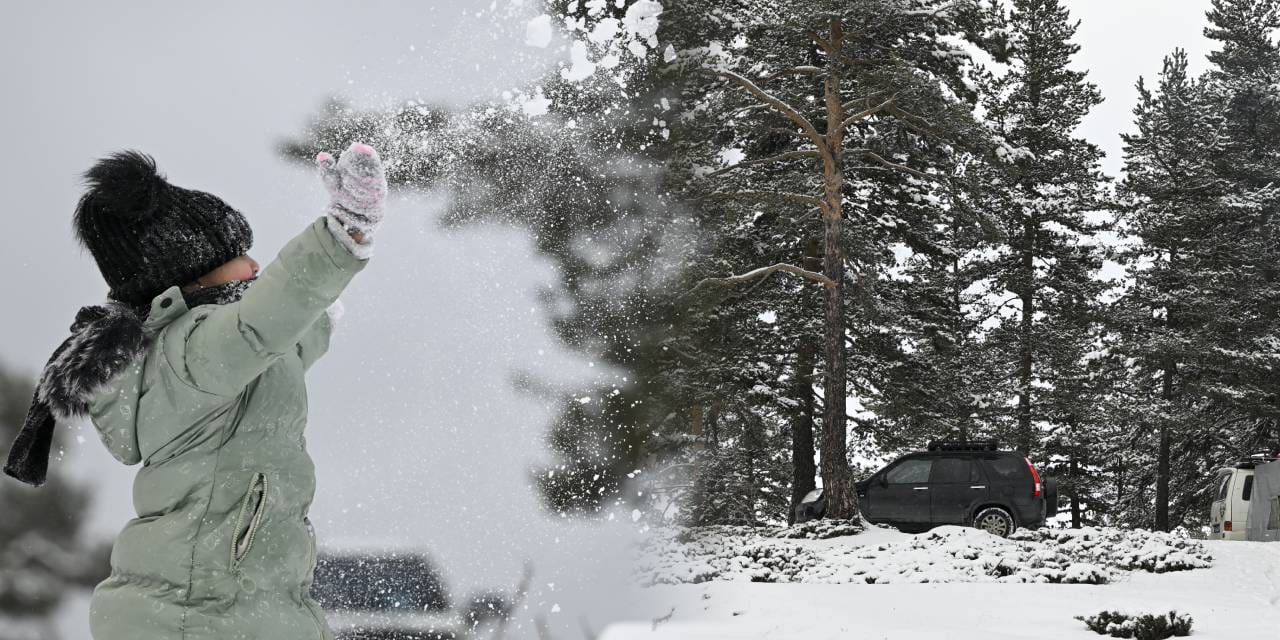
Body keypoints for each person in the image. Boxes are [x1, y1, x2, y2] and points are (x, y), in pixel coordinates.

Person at [3, 141, 387, 639]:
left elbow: (284, 328)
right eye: (235, 255)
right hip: (196, 615)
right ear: (189, 277)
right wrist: (341, 236)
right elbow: (269, 317)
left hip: (229, 609)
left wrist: (327, 283)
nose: (252, 265)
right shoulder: (193, 351)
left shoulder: (227, 356)